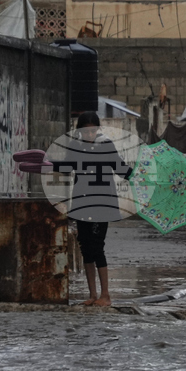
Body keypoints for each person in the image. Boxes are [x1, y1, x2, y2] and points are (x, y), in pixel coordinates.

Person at [66, 112, 132, 307]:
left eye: (93, 130)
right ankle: (93, 295)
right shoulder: (75, 146)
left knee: (96, 246)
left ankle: (106, 295)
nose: (90, 134)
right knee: (85, 247)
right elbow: (66, 168)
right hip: (81, 202)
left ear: (98, 129)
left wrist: (139, 175)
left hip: (102, 204)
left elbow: (120, 168)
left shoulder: (106, 146)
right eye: (86, 131)